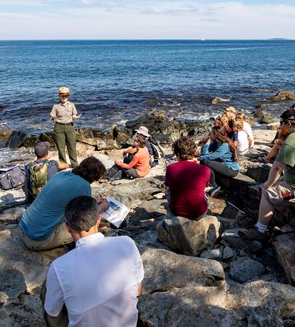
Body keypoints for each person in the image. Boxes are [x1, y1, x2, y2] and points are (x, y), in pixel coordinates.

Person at [43, 195, 144, 327]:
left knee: (47, 289)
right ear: (98, 220)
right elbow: (138, 289)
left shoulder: (59, 267)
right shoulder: (126, 243)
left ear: (68, 227)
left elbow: (52, 311)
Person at [241, 109, 295, 239]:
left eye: (281, 123)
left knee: (267, 193)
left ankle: (260, 231)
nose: (280, 126)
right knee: (278, 183)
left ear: (289, 123)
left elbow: (277, 168)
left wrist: (267, 184)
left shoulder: (292, 141)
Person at [19, 156, 108, 251]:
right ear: (94, 177)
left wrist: (93, 201)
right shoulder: (84, 186)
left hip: (22, 229)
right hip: (38, 240)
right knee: (87, 227)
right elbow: (86, 219)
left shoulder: (61, 175)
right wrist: (101, 208)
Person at [164, 137, 211, 220]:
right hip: (199, 213)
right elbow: (205, 188)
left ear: (177, 154)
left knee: (168, 191)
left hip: (177, 212)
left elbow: (168, 186)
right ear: (193, 152)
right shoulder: (205, 169)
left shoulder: (170, 168)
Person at [198, 126, 240, 195]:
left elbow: (212, 156)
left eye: (211, 132)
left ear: (215, 134)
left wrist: (199, 158)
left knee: (206, 162)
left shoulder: (224, 145)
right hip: (223, 165)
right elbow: (205, 153)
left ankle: (214, 186)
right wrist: (207, 144)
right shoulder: (216, 143)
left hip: (231, 169)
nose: (210, 133)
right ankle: (213, 184)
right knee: (203, 161)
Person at [50, 86, 80, 168]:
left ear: (68, 96)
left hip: (70, 127)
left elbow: (74, 115)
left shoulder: (72, 105)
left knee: (72, 146)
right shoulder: (55, 106)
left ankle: (74, 164)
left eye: (66, 95)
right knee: (61, 148)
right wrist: (52, 118)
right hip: (59, 127)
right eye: (62, 95)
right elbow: (53, 117)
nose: (64, 97)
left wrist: (75, 117)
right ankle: (63, 165)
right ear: (59, 96)